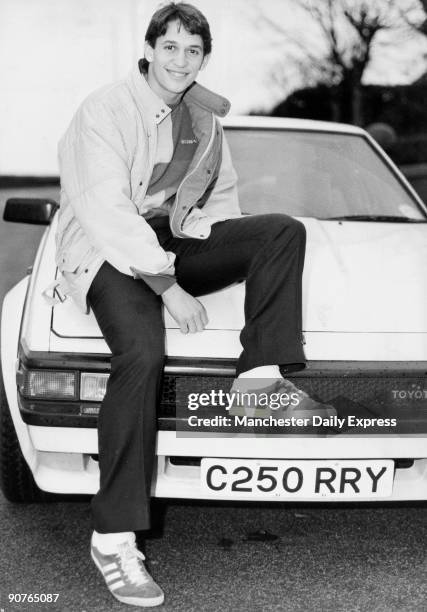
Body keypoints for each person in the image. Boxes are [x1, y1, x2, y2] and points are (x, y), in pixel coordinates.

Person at [52, 2, 333, 607]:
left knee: (281, 230)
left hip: (171, 239)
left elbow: (220, 197)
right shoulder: (104, 109)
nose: (182, 60)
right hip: (107, 249)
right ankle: (114, 537)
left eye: (194, 50)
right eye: (171, 47)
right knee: (142, 353)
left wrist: (217, 243)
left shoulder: (206, 119)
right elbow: (107, 211)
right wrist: (168, 286)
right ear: (150, 48)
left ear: (205, 57)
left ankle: (258, 377)